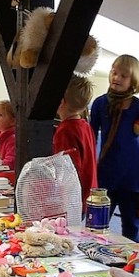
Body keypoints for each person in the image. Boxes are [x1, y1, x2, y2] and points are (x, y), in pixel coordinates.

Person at [90, 54, 139, 242]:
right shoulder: (99, 104)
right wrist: (90, 172)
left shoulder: (138, 107)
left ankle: (127, 269)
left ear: (134, 80)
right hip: (105, 178)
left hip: (133, 180)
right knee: (96, 228)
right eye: (114, 72)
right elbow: (90, 137)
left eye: (123, 75)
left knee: (132, 231)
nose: (117, 78)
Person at [52, 75, 98, 214]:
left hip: (75, 198)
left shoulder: (65, 131)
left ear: (61, 102)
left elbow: (68, 169)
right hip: (89, 192)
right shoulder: (85, 125)